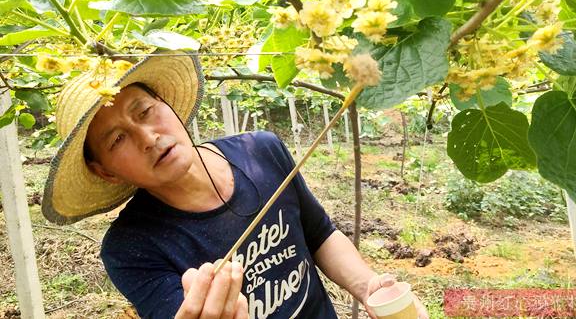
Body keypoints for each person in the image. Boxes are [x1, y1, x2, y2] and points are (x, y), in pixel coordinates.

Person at [42, 52, 429, 319]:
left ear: (168, 104)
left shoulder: (261, 150)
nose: (147, 137)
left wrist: (369, 287)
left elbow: (319, 234)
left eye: (145, 111)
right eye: (117, 140)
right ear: (106, 171)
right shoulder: (131, 247)